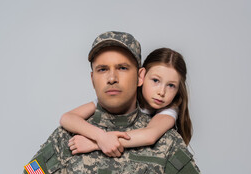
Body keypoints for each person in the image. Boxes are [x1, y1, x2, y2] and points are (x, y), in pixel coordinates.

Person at [18, 31, 206, 174]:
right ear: (92, 78)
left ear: (140, 76)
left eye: (123, 68)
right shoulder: (66, 137)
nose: (112, 78)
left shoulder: (167, 142)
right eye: (102, 69)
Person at [60, 47, 191, 159]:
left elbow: (149, 135)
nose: (162, 92)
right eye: (156, 80)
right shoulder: (122, 98)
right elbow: (67, 118)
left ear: (178, 89)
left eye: (171, 85)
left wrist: (96, 144)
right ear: (142, 77)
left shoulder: (169, 110)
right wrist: (100, 137)